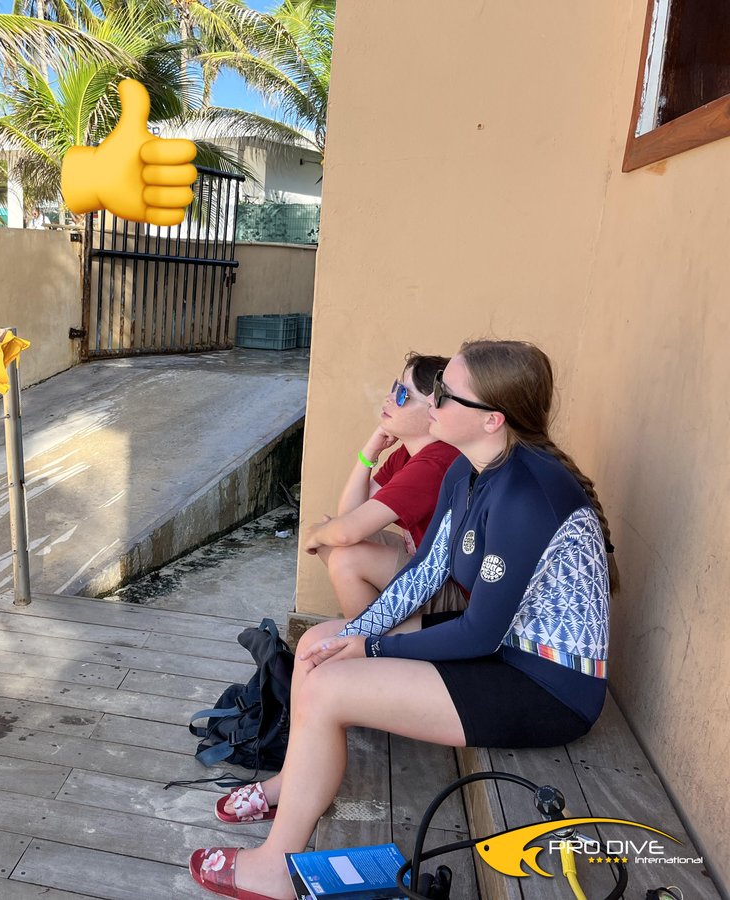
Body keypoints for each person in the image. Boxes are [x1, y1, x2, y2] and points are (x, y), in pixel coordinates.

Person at [190, 340, 616, 900]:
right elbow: (423, 573)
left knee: (334, 685)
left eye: (446, 394)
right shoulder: (467, 469)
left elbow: (480, 633)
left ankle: (275, 869)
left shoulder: (526, 493)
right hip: (501, 651)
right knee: (320, 641)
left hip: (547, 686)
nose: (432, 402)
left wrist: (370, 649)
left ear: (491, 419)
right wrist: (355, 634)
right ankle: (289, 786)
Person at [302, 353, 462, 618]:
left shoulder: (436, 463)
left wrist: (315, 534)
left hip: (454, 589)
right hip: (428, 567)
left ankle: (372, 638)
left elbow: (347, 531)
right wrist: (370, 452)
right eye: (395, 387)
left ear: (433, 410)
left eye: (403, 395)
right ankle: (382, 627)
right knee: (334, 539)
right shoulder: (409, 453)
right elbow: (350, 515)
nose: (390, 398)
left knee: (345, 555)